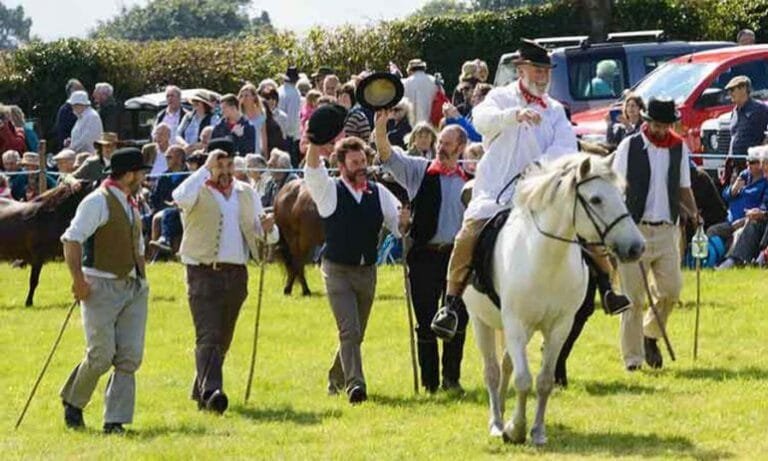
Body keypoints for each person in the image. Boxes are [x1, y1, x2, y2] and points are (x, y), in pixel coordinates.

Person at [431, 39, 583, 340]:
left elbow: (566, 147)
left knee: (585, 229)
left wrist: (539, 167)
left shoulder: (555, 111)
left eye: (546, 71)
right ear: (522, 70)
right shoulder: (500, 97)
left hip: (539, 196)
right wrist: (513, 116)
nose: (543, 77)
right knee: (468, 234)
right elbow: (482, 121)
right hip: (496, 193)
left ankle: (603, 288)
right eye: (537, 70)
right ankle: (450, 304)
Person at [304, 116, 408, 403]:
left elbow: (398, 228)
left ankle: (335, 377)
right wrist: (314, 142)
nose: (361, 167)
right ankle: (356, 386)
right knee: (349, 330)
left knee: (356, 333)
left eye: (363, 161)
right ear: (342, 166)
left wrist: (403, 221)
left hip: (367, 272)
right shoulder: (329, 192)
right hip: (337, 270)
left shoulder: (379, 193)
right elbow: (313, 172)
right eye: (354, 163)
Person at [172, 138, 278, 414]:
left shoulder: (246, 192)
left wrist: (269, 228)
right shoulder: (197, 188)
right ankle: (213, 392)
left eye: (230, 164)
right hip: (202, 271)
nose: (225, 171)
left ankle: (201, 390)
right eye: (220, 165)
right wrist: (205, 169)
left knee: (223, 339)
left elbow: (262, 231)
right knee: (208, 334)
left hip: (237, 273)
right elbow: (179, 198)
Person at [59, 147, 151, 434]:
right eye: (140, 173)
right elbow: (72, 240)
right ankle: (73, 401)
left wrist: (142, 277)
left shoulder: (130, 200)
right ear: (128, 175)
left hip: (133, 285)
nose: (143, 178)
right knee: (101, 355)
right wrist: (78, 280)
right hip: (101, 285)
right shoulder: (96, 201)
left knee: (130, 356)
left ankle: (115, 420)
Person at [377, 111, 470, 394]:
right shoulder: (419, 170)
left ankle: (451, 379)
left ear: (461, 148)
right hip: (425, 257)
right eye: (440, 141)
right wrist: (381, 128)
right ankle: (430, 383)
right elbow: (387, 154)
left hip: (457, 258)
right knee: (426, 320)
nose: (441, 147)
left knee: (457, 320)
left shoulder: (470, 179)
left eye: (448, 143)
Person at [613, 97, 699, 370]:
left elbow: (684, 186)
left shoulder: (678, 147)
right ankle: (633, 359)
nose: (662, 130)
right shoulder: (630, 146)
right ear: (648, 121)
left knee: (671, 291)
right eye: (657, 124)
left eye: (666, 125)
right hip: (634, 229)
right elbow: (616, 187)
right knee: (633, 299)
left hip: (666, 229)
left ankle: (650, 334)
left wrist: (694, 212)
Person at [717, 146, 768, 268]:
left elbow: (764, 206)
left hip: (744, 220)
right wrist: (733, 190)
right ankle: (731, 260)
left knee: (749, 225)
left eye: (752, 162)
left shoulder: (763, 184)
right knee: (713, 231)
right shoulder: (743, 176)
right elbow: (725, 196)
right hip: (732, 219)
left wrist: (762, 213)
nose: (748, 165)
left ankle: (752, 260)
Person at [725, 76, 768, 185]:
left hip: (754, 166)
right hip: (735, 166)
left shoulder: (760, 109)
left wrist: (762, 153)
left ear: (743, 89)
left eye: (732, 90)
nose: (730, 93)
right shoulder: (734, 112)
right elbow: (734, 136)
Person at [278, 66, 302, 166]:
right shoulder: (295, 93)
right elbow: (292, 118)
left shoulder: (279, 90)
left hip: (278, 133)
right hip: (289, 136)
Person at [403, 59, 438, 124]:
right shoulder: (434, 81)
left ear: (409, 70)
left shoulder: (405, 83)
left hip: (411, 123)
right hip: (432, 122)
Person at [238, 83, 268, 155]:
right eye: (242, 96)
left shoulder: (261, 114)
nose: (243, 98)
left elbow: (264, 137)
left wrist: (265, 154)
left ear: (254, 97)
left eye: (246, 96)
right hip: (243, 151)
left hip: (257, 151)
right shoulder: (239, 114)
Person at [54, 79, 85, 149]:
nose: (82, 92)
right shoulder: (65, 110)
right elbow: (62, 134)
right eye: (78, 90)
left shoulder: (86, 110)